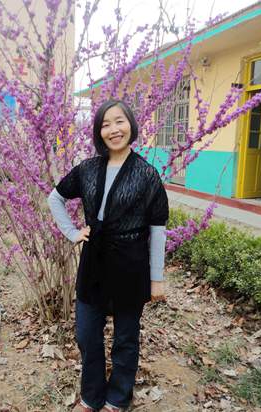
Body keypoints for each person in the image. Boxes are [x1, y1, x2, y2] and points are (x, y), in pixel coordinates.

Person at [47, 99, 169, 412]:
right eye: (105, 124)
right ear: (99, 132)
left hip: (130, 264)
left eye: (119, 121)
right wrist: (72, 232)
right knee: (87, 334)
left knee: (126, 337)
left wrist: (156, 279)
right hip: (94, 261)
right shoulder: (87, 169)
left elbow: (157, 229)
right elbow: (55, 198)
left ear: (131, 126)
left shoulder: (147, 174)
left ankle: (117, 399)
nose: (113, 129)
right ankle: (91, 396)